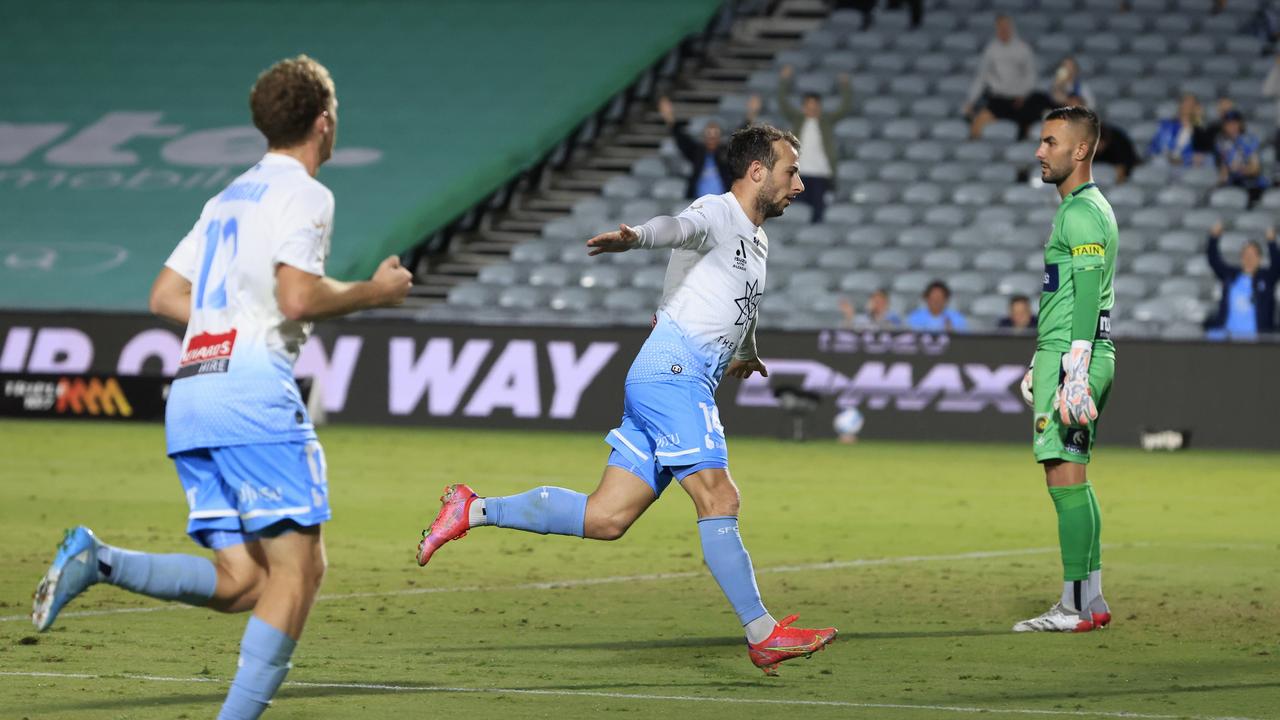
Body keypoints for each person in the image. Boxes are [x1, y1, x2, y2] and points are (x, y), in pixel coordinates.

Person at [30, 55, 413, 719]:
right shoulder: (305, 193)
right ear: (323, 123)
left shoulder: (228, 196)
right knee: (300, 571)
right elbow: (296, 297)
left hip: (195, 392)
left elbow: (164, 295)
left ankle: (99, 561)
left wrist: (233, 322)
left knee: (244, 582)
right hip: (250, 395)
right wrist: (375, 294)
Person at [414, 125, 837, 676]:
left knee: (606, 517)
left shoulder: (757, 240)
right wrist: (635, 236)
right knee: (720, 497)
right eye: (790, 170)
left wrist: (746, 352)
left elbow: (743, 307)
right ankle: (763, 634)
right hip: (673, 372)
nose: (799, 183)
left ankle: (472, 509)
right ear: (757, 171)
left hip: (679, 374)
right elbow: (677, 228)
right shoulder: (718, 210)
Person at [1015, 105, 1117, 634]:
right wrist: (1044, 355)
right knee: (1075, 477)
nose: (1040, 151)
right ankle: (1091, 600)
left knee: (1063, 477)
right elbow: (1073, 292)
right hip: (1069, 352)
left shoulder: (1079, 213)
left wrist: (1072, 367)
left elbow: (1084, 291)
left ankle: (1074, 607)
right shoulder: (1089, 208)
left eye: (1050, 142)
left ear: (1080, 150)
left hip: (1073, 358)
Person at [776, 65, 854, 222]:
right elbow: (783, 104)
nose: (812, 109)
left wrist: (845, 87)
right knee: (796, 211)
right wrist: (784, 81)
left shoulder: (825, 121)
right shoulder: (798, 120)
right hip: (800, 174)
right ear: (804, 107)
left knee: (819, 213)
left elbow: (844, 109)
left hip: (821, 175)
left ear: (819, 106)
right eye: (808, 106)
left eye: (815, 106)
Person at [964, 15, 1050, 140]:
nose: (1003, 30)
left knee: (1028, 131)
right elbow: (982, 77)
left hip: (1021, 100)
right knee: (977, 125)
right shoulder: (991, 49)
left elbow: (1031, 77)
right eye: (1000, 27)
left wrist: (1024, 95)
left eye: (1005, 26)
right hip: (999, 99)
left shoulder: (1023, 49)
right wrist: (970, 101)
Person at [660, 95, 760, 200]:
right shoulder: (697, 152)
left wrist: (751, 114)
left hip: (723, 204)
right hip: (697, 205)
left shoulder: (726, 152)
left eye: (715, 133)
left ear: (720, 137)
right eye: (709, 133)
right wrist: (669, 116)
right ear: (704, 136)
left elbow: (741, 137)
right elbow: (681, 139)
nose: (712, 137)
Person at [1204, 221, 1280, 338]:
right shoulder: (1230, 275)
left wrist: (1271, 242)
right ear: (1241, 257)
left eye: (1253, 254)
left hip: (1257, 341)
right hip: (1228, 339)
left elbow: (1277, 265)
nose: (1249, 258)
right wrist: (1214, 238)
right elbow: (1214, 260)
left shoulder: (1266, 278)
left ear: (1259, 258)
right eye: (1246, 254)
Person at [1214, 109, 1268, 206]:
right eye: (1228, 124)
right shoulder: (1221, 142)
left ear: (1241, 124)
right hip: (1233, 182)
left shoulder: (1249, 140)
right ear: (1224, 126)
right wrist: (1226, 175)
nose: (1232, 127)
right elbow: (1223, 170)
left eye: (1235, 123)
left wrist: (1242, 169)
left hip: (1251, 183)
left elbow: (1256, 169)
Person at [1147, 93, 1206, 167]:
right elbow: (1155, 147)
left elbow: (1200, 152)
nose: (1187, 106)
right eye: (1185, 102)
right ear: (1180, 105)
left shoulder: (1199, 130)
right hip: (1164, 162)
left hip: (1187, 165)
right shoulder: (1166, 125)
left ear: (1196, 107)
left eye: (1191, 104)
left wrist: (1197, 121)